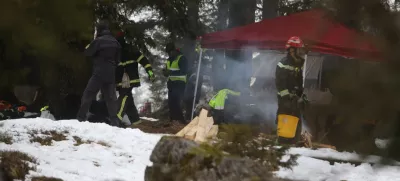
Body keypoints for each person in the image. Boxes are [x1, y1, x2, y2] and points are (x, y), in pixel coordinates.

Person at [76, 20, 123, 127]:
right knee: (111, 98)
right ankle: (114, 121)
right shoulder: (116, 42)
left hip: (99, 72)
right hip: (111, 73)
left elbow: (87, 52)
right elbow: (118, 60)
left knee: (88, 94)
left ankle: (81, 117)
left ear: (99, 30)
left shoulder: (98, 41)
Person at [115, 31, 155, 126]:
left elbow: (144, 61)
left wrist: (151, 73)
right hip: (127, 80)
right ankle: (136, 121)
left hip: (125, 80)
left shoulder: (117, 50)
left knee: (124, 97)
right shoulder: (128, 49)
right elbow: (145, 62)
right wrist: (150, 73)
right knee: (129, 100)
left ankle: (117, 118)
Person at [275, 36, 308, 144]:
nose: (301, 52)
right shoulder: (283, 63)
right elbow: (280, 84)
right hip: (285, 102)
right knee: (285, 126)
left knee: (296, 124)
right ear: (292, 50)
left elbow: (299, 82)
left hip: (294, 101)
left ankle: (294, 143)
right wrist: (287, 98)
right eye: (299, 49)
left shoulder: (298, 64)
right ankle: (283, 146)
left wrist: (300, 95)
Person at [163, 42, 188, 123]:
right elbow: (168, 71)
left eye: (170, 52)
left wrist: (170, 72)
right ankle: (173, 119)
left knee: (177, 102)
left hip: (180, 83)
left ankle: (180, 120)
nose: (169, 54)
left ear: (174, 50)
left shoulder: (182, 58)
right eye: (168, 53)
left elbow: (184, 71)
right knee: (171, 103)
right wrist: (165, 72)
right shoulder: (168, 60)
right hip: (171, 84)